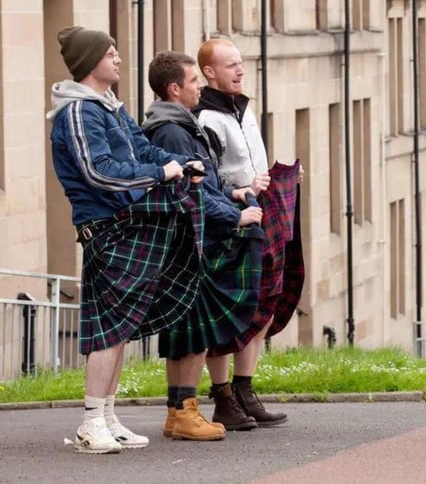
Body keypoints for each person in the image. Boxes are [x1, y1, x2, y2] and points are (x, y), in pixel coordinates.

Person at [47, 27, 206, 454]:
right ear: (89, 62)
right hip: (104, 226)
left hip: (124, 222)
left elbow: (141, 149)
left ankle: (109, 417)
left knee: (119, 328)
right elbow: (97, 171)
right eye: (109, 53)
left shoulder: (109, 107)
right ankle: (91, 422)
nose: (118, 58)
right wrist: (161, 174)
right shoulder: (79, 112)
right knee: (109, 330)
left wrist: (178, 162)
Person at [143, 51, 267, 439]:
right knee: (193, 332)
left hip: (192, 235)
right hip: (191, 239)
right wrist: (235, 215)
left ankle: (181, 410)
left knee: (187, 332)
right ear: (174, 88)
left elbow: (205, 184)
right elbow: (188, 191)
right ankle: (184, 411)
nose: (201, 87)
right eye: (194, 81)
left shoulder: (178, 124)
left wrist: (232, 193)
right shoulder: (173, 130)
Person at [194, 38, 293, 430]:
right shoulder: (206, 119)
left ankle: (245, 389)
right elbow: (210, 177)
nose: (239, 70)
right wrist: (242, 185)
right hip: (228, 216)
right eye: (230, 65)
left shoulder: (243, 109)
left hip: (259, 210)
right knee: (226, 309)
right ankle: (222, 396)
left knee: (264, 299)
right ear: (209, 72)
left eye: (240, 63)